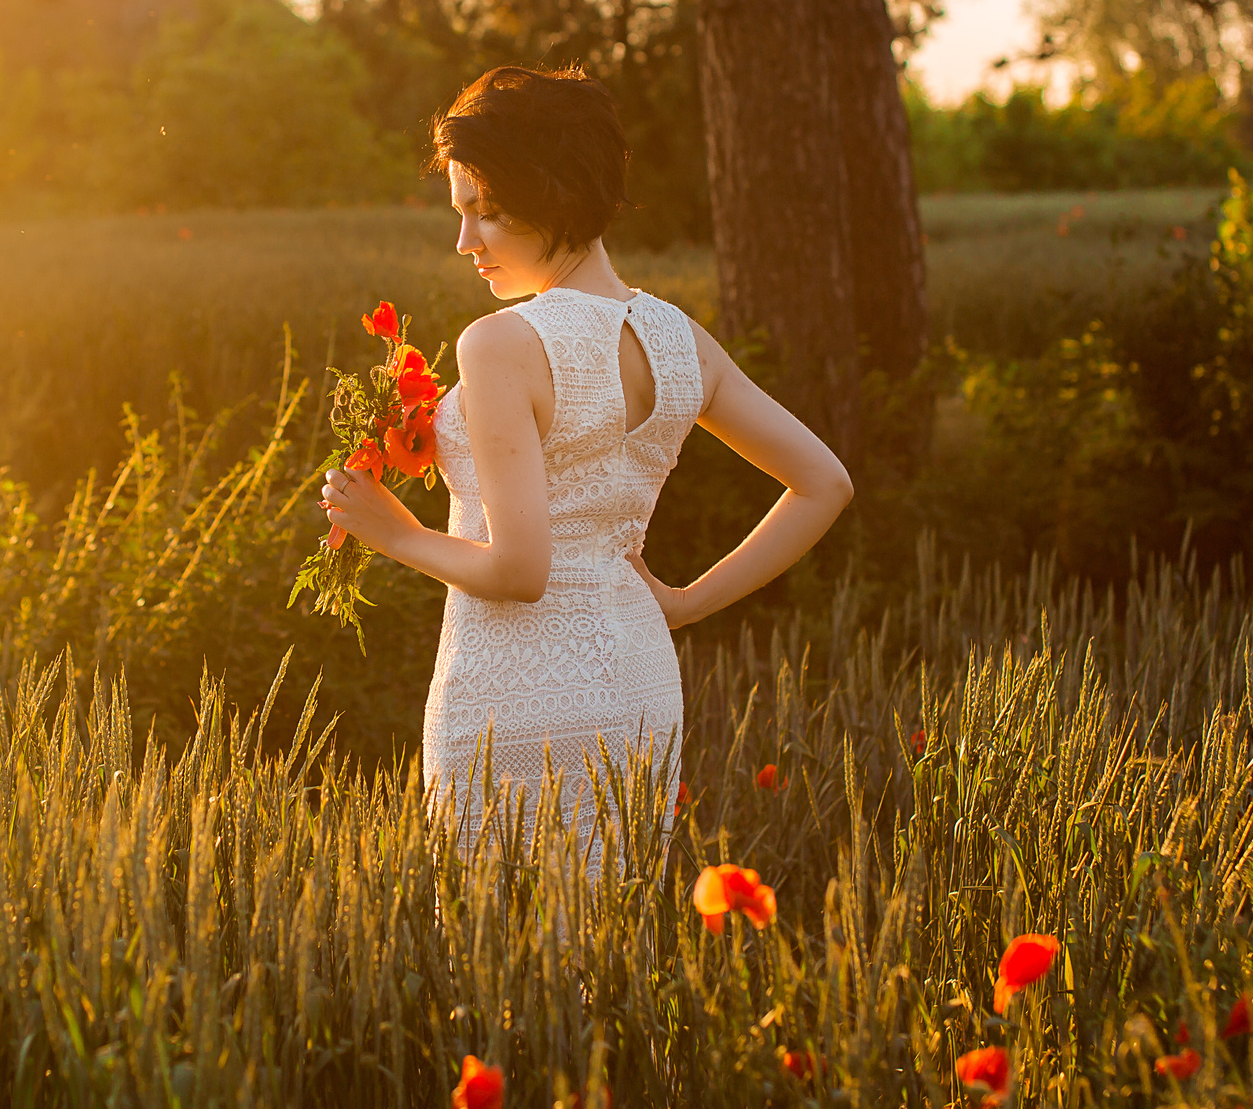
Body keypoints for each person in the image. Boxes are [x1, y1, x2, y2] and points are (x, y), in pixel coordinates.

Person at [319, 65, 854, 858]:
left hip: (511, 694)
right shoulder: (682, 340)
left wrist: (389, 529)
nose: (465, 241)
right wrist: (682, 603)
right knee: (608, 944)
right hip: (638, 681)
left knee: (499, 953)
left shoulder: (500, 343)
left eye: (486, 213)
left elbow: (520, 569)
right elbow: (825, 483)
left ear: (553, 194)